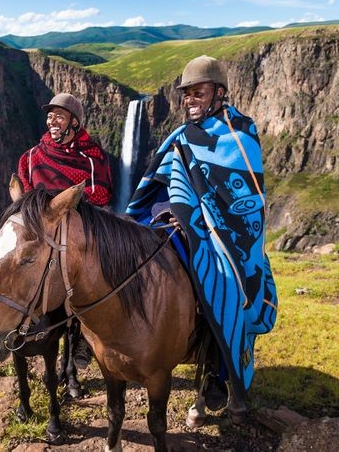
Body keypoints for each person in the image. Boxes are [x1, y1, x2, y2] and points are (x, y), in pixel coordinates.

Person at [126, 55, 278, 425]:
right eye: (187, 94)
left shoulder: (241, 134)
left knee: (228, 286)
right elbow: (159, 180)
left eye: (199, 92)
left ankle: (220, 375)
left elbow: (246, 201)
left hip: (230, 239)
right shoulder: (180, 137)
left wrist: (211, 222)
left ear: (219, 93)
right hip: (184, 223)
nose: (190, 100)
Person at [17, 92, 113, 367]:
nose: (53, 121)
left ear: (75, 122)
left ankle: (83, 337)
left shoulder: (92, 157)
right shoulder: (32, 157)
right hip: (41, 229)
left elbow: (102, 195)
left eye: (59, 115)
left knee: (93, 274)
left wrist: (65, 203)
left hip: (79, 228)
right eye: (50, 115)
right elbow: (26, 194)